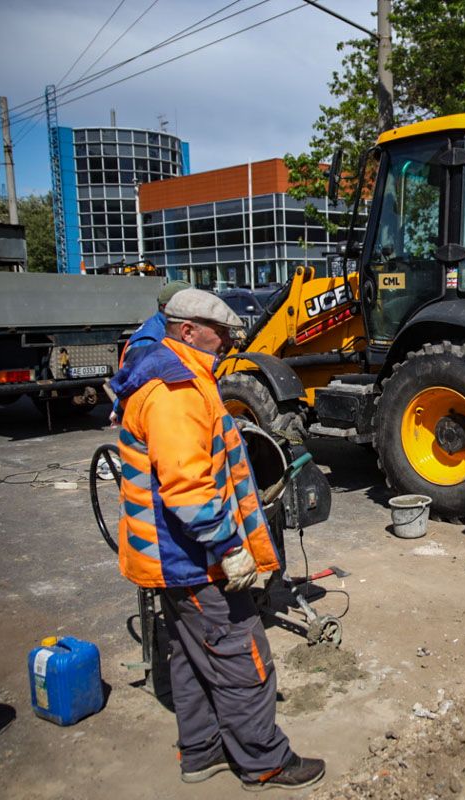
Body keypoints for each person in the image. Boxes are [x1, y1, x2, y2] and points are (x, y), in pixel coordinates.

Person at [109, 289, 325, 791]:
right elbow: (187, 490)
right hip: (193, 558)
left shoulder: (184, 375)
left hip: (174, 559)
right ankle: (264, 761)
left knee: (189, 656)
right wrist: (230, 549)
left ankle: (201, 752)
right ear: (187, 331)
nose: (228, 340)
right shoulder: (175, 390)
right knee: (244, 658)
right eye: (220, 333)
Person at [109, 279, 191, 425]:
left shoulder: (170, 330)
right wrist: (119, 409)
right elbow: (132, 381)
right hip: (150, 418)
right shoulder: (149, 338)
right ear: (167, 307)